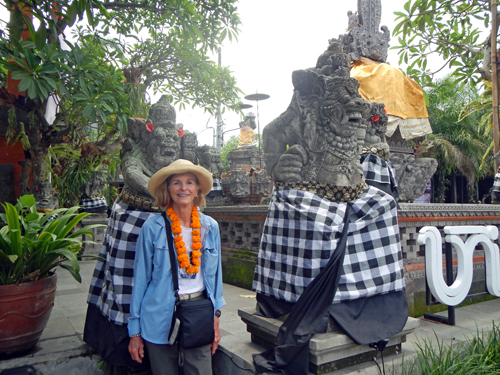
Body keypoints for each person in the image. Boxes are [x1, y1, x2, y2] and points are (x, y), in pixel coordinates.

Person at [127, 159, 225, 375]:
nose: (183, 188)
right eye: (176, 183)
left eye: (190, 182)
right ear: (168, 190)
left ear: (197, 189)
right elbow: (141, 279)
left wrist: (215, 319)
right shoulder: (153, 227)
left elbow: (216, 278)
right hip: (159, 313)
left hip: (198, 312)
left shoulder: (210, 227)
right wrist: (134, 332)